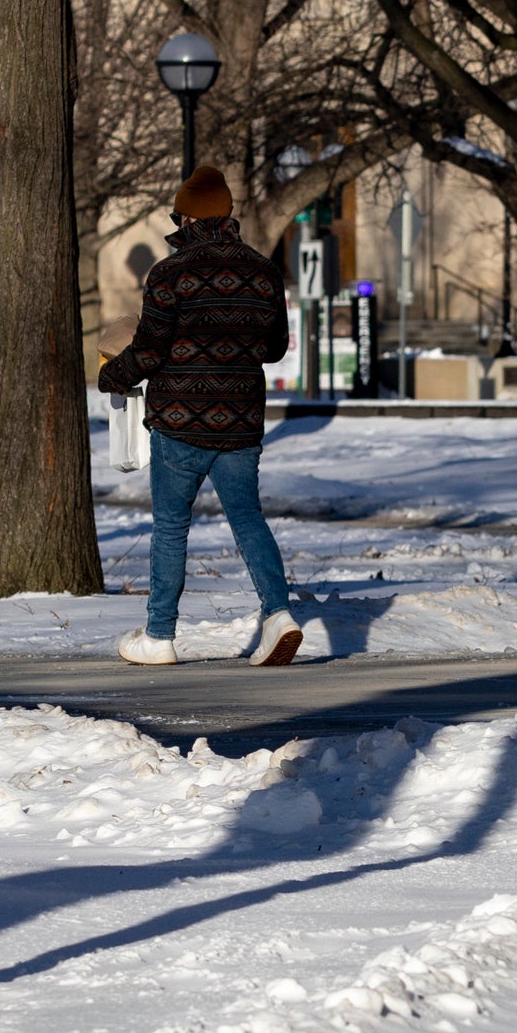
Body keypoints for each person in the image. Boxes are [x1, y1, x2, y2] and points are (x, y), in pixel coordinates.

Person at [99, 165, 316, 666]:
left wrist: (114, 376)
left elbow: (149, 352)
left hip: (179, 420)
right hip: (240, 421)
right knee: (248, 518)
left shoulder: (170, 273)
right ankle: (279, 614)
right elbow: (275, 348)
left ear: (187, 217)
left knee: (172, 526)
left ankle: (158, 636)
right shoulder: (263, 272)